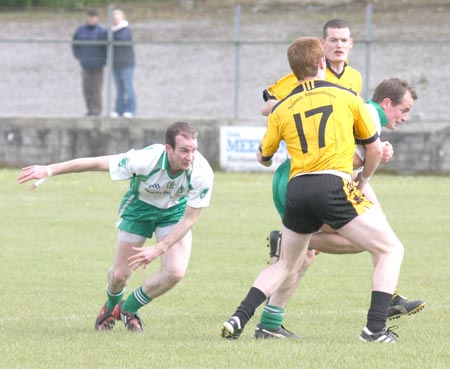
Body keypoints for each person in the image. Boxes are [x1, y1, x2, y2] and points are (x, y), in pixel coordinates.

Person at [221, 36, 404, 343]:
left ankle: (238, 317)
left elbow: (263, 157)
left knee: (286, 263)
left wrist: (266, 155)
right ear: (322, 64)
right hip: (332, 184)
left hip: (296, 189)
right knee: (390, 249)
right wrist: (363, 180)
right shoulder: (346, 97)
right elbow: (372, 151)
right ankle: (374, 329)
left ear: (294, 70)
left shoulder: (283, 107)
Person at [256, 77, 424, 340]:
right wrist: (373, 157)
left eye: (345, 41)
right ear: (387, 103)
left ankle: (269, 321)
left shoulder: (354, 89)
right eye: (404, 110)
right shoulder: (366, 110)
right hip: (309, 179)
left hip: (303, 180)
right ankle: (381, 313)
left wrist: (372, 156)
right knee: (380, 241)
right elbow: (342, 159)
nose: (404, 118)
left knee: (310, 255)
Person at [17, 122, 214, 333]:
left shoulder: (202, 172)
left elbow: (189, 219)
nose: (190, 156)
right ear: (169, 149)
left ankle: (128, 308)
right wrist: (49, 169)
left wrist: (159, 248)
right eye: (184, 150)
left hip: (174, 212)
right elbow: (97, 163)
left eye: (193, 150)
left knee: (175, 272)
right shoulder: (145, 159)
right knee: (119, 276)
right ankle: (110, 306)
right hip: (139, 209)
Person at [72, 8, 107, 116]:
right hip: (85, 65)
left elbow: (107, 48)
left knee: (96, 90)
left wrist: (103, 60)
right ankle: (89, 110)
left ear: (97, 18)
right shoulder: (80, 30)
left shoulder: (102, 31)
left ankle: (96, 111)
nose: (91, 19)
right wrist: (80, 57)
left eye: (94, 17)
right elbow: (74, 45)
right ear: (87, 17)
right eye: (90, 17)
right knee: (86, 89)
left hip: (98, 66)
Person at [110, 9, 136, 118]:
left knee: (128, 87)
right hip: (115, 64)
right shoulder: (112, 31)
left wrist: (110, 36)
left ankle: (130, 110)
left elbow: (122, 39)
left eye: (117, 18)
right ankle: (118, 109)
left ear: (122, 19)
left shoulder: (125, 30)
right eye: (114, 19)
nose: (115, 21)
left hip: (126, 64)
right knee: (119, 89)